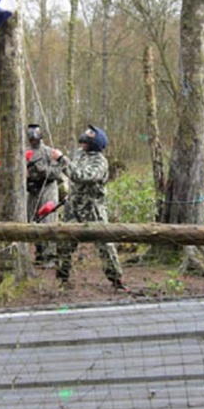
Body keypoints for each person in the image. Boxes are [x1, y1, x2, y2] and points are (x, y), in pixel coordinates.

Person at [51, 125, 126, 291]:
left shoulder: (100, 162)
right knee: (64, 243)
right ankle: (62, 280)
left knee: (104, 244)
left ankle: (117, 279)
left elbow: (82, 176)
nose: (84, 139)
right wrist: (58, 162)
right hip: (73, 206)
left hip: (92, 208)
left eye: (89, 136)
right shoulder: (79, 154)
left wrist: (62, 159)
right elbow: (69, 171)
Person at [26, 124, 62, 267]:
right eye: (31, 138)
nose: (33, 141)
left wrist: (43, 170)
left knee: (48, 221)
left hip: (48, 188)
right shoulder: (25, 153)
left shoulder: (49, 152)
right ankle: (40, 254)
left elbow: (58, 172)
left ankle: (50, 256)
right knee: (34, 220)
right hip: (33, 190)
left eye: (35, 138)